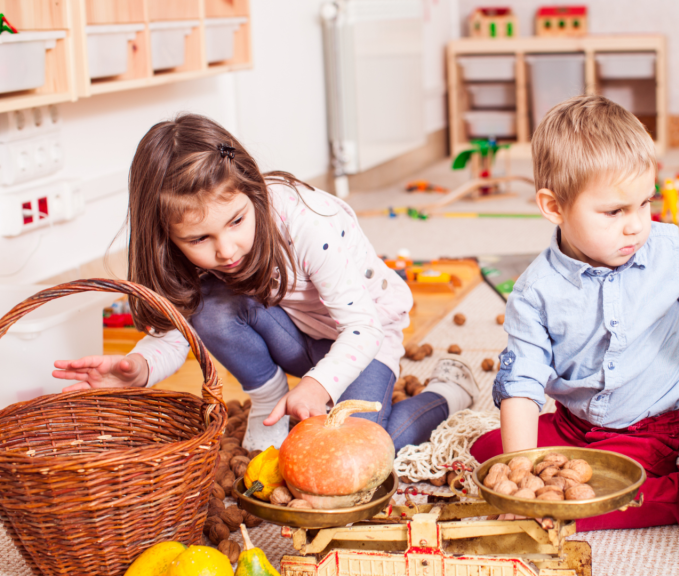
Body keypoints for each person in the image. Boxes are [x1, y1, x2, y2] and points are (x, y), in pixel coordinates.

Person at [52, 114, 477, 452]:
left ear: (251, 189)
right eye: (199, 239)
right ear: (166, 237)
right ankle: (267, 398)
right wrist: (140, 368)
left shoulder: (308, 221)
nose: (226, 250)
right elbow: (176, 333)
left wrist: (317, 385)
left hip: (364, 337)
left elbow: (362, 328)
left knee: (367, 447)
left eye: (236, 221)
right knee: (209, 307)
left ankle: (446, 393)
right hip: (296, 335)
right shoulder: (193, 248)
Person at [470, 95, 679, 531]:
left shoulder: (666, 250)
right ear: (554, 207)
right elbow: (523, 383)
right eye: (614, 212)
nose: (636, 225)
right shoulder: (535, 292)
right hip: (576, 427)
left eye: (645, 203)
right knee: (487, 453)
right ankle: (662, 479)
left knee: (589, 506)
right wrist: (521, 472)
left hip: (658, 428)